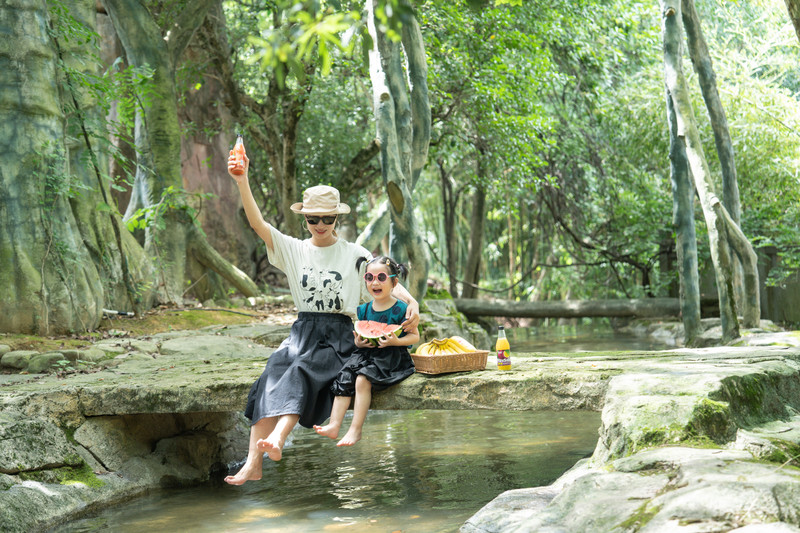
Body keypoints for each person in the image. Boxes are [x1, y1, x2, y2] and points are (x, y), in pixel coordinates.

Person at [223, 150, 419, 486]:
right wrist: (242, 180)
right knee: (272, 373)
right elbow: (257, 223)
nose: (320, 225)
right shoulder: (293, 249)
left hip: (339, 335)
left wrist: (411, 301)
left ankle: (278, 441)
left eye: (327, 219)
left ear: (336, 220)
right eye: (313, 219)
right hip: (301, 332)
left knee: (300, 369)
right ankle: (254, 461)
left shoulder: (354, 253)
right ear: (305, 220)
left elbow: (381, 279)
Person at [314, 256, 419, 446]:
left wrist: (396, 341)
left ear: (394, 282)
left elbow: (415, 337)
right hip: (366, 354)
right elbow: (360, 338)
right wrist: (359, 343)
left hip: (392, 357)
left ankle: (355, 430)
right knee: (344, 376)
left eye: (381, 277)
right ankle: (334, 424)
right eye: (369, 277)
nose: (375, 282)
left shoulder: (401, 309)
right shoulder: (363, 310)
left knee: (362, 379)